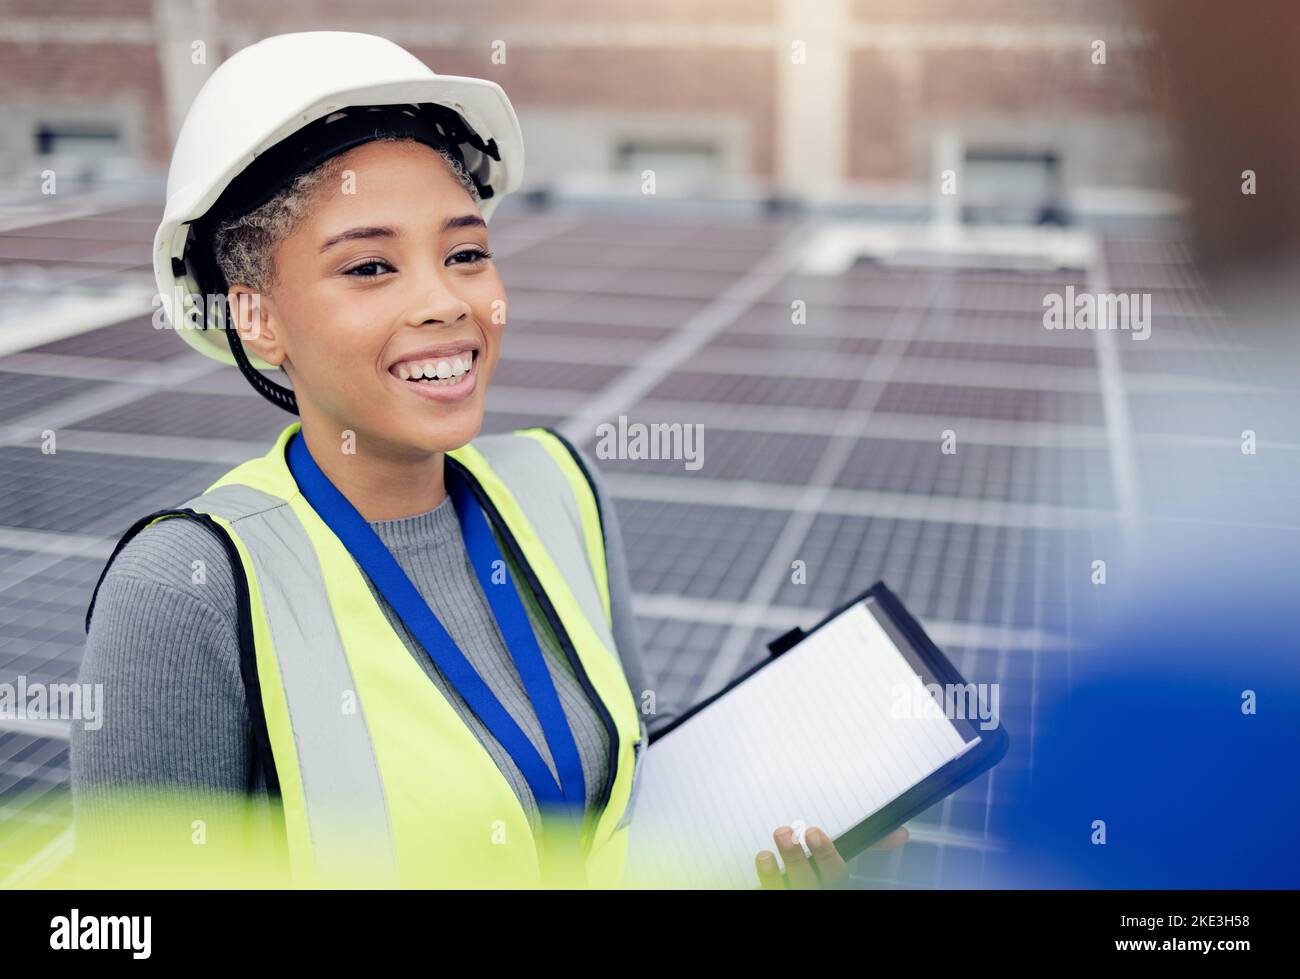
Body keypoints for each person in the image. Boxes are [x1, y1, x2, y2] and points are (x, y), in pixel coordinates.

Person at [70, 30, 904, 888]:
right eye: (369, 266)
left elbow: (631, 801)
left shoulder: (557, 485)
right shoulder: (186, 588)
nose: (445, 301)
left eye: (465, 252)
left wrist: (783, 847)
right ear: (257, 319)